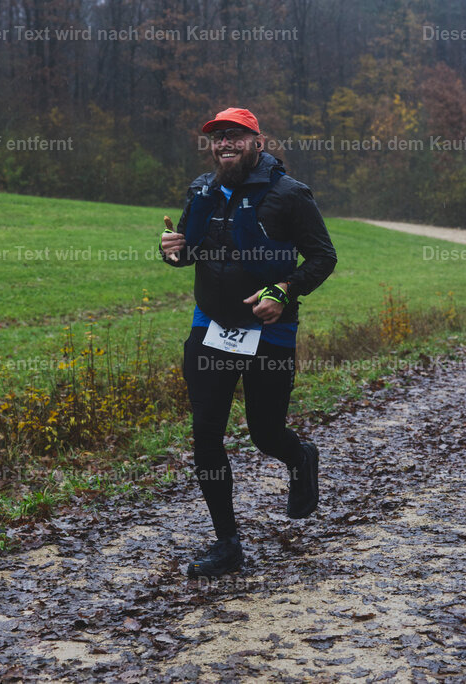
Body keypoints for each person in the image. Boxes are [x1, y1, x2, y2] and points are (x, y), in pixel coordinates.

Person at [160, 107, 337, 577]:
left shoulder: (290, 195)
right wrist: (172, 253)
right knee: (206, 434)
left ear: (258, 141)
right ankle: (227, 543)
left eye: (235, 136)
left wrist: (284, 290)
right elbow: (190, 250)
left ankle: (300, 456)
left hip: (270, 331)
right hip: (211, 326)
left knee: (265, 433)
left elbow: (323, 257)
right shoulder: (201, 190)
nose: (225, 145)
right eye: (218, 138)